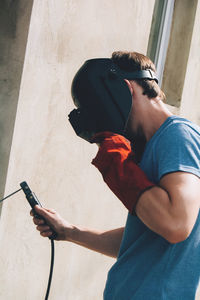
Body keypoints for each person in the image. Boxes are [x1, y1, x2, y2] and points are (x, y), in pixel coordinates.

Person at [31, 51, 200, 299]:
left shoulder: (178, 136)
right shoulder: (155, 147)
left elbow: (175, 224)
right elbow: (140, 241)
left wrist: (115, 160)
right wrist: (70, 231)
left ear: (124, 89)